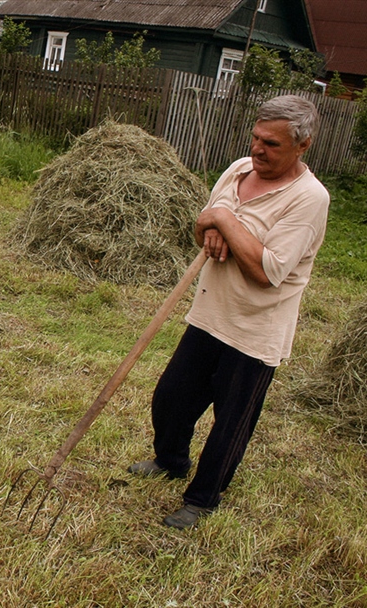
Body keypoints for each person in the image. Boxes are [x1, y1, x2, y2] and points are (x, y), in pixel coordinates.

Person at [127, 94, 330, 529]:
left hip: (255, 329)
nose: (258, 150)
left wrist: (225, 220)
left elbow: (264, 269)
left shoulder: (309, 198)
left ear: (303, 146)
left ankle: (202, 500)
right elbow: (202, 223)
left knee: (229, 425)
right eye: (256, 138)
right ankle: (171, 460)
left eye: (272, 145)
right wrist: (215, 224)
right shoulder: (239, 169)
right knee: (171, 399)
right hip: (209, 314)